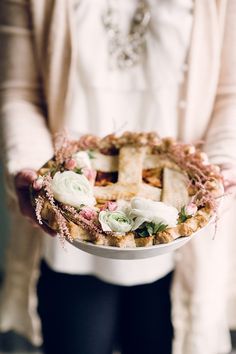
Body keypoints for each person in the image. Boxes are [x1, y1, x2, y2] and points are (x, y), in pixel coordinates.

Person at [0, 1, 236, 354]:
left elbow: (228, 93)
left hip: (182, 234)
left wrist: (222, 163)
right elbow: (20, 91)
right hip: (71, 232)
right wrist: (29, 166)